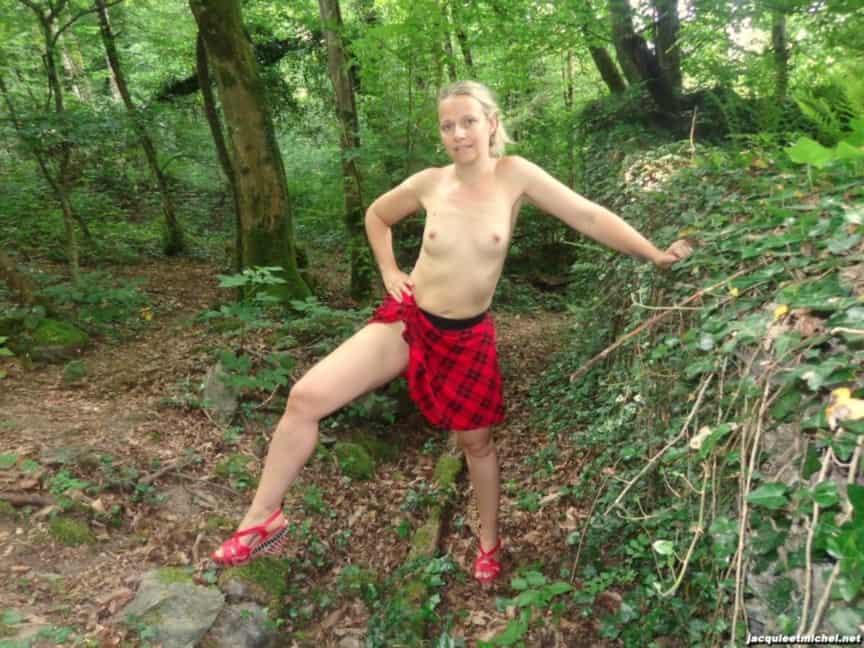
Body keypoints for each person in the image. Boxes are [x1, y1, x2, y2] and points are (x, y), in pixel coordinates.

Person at [212, 80, 692, 582]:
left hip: (467, 340)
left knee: (476, 446)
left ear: (491, 123)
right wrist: (389, 271)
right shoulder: (430, 182)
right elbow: (377, 216)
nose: (458, 133)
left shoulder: (515, 175)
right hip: (410, 322)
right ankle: (262, 518)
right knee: (305, 398)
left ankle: (489, 541)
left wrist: (654, 254)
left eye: (468, 121)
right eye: (447, 126)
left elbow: (588, 215)